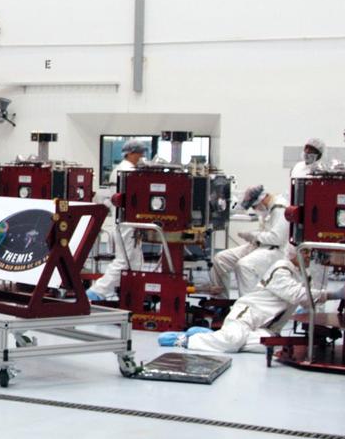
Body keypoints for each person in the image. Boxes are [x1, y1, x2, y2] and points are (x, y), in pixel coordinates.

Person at [159, 247, 328, 353]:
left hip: (266, 327)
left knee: (271, 345)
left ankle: (213, 337)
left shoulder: (305, 275)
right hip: (248, 314)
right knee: (233, 342)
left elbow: (307, 300)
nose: (309, 256)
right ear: (293, 253)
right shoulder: (282, 269)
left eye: (309, 252)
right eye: (305, 252)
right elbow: (298, 295)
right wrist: (334, 295)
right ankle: (184, 339)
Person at [86, 140, 147, 301]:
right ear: (131, 153)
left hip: (125, 221)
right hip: (127, 222)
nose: (141, 157)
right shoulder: (128, 170)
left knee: (134, 261)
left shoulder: (120, 169)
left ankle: (130, 292)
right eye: (140, 153)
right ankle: (97, 291)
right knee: (124, 260)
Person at [208, 184, 289, 296]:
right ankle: (221, 301)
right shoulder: (269, 208)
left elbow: (277, 238)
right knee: (220, 258)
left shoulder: (280, 208)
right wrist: (252, 236)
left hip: (274, 250)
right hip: (259, 245)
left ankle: (247, 306)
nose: (255, 209)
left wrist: (253, 235)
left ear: (262, 199)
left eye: (254, 206)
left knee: (244, 265)